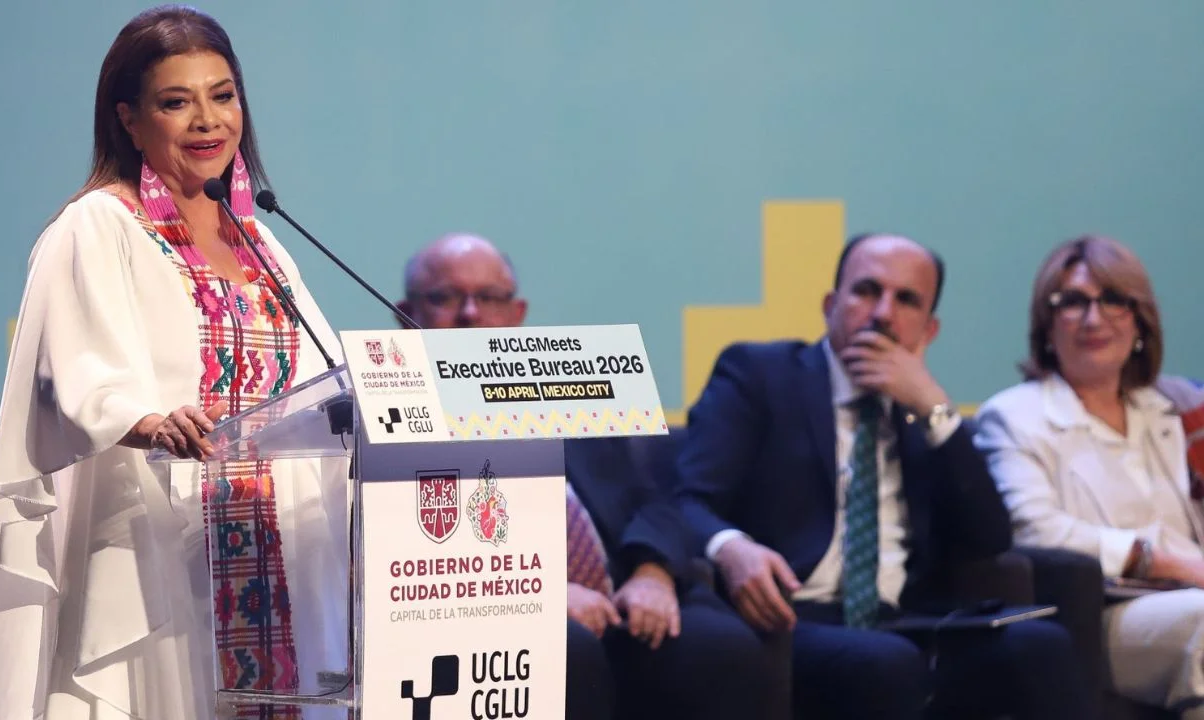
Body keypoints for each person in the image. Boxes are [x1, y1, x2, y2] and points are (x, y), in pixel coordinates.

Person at [0, 7, 348, 719]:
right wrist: (148, 421)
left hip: (274, 548)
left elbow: (323, 385)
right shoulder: (98, 225)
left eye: (222, 95)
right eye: (176, 102)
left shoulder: (260, 239)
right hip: (155, 548)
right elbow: (73, 372)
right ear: (130, 121)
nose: (208, 121)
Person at [676, 232, 1095, 719]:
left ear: (928, 330)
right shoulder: (760, 375)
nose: (882, 313)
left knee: (1039, 645)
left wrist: (936, 411)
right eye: (866, 291)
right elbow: (686, 499)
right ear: (830, 305)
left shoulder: (921, 414)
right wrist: (731, 547)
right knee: (886, 663)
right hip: (794, 620)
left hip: (904, 620)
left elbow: (988, 539)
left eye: (906, 300)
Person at [399, 233, 783, 720]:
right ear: (405, 315)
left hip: (626, 588)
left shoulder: (568, 385)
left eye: (490, 297)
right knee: (568, 650)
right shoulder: (392, 416)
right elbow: (414, 546)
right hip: (491, 602)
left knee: (723, 650)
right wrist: (538, 593)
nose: (471, 314)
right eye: (446, 297)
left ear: (517, 313)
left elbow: (656, 498)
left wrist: (652, 575)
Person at [975, 235, 1204, 717]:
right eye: (1073, 301)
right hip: (1106, 614)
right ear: (1047, 325)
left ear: (1139, 321)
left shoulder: (1174, 407)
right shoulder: (1014, 417)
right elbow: (1034, 531)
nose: (1094, 318)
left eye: (1113, 300)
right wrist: (1158, 559)